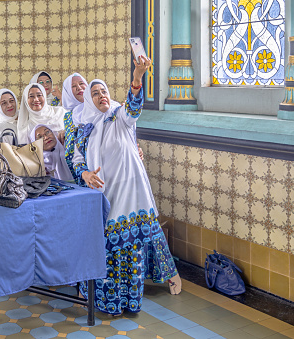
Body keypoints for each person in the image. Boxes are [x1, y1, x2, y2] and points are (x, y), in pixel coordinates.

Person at [74, 56, 181, 316]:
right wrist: (86, 173)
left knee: (132, 245)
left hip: (131, 193)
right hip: (105, 194)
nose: (101, 96)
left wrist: (136, 79)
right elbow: (76, 159)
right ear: (88, 99)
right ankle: (108, 299)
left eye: (104, 91)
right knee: (108, 247)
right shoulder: (84, 129)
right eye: (95, 93)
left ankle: (132, 300)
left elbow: (133, 109)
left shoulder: (118, 116)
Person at [61, 73, 88, 180]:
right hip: (74, 168)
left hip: (94, 164)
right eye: (73, 86)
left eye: (82, 84)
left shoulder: (96, 111)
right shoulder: (68, 116)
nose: (79, 88)